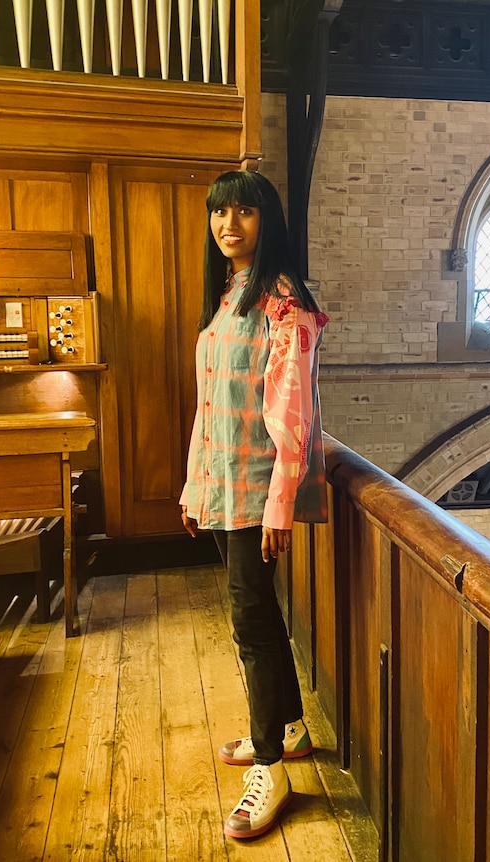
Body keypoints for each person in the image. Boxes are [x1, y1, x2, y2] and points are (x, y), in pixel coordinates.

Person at [179, 170, 329, 840]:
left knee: (251, 625)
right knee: (256, 615)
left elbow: (291, 415)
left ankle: (271, 767)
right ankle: (288, 726)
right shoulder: (225, 295)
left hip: (254, 488)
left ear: (267, 221)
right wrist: (192, 486)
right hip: (218, 482)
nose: (228, 224)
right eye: (219, 213)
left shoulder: (281, 300)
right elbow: (209, 406)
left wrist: (278, 507)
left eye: (243, 211)